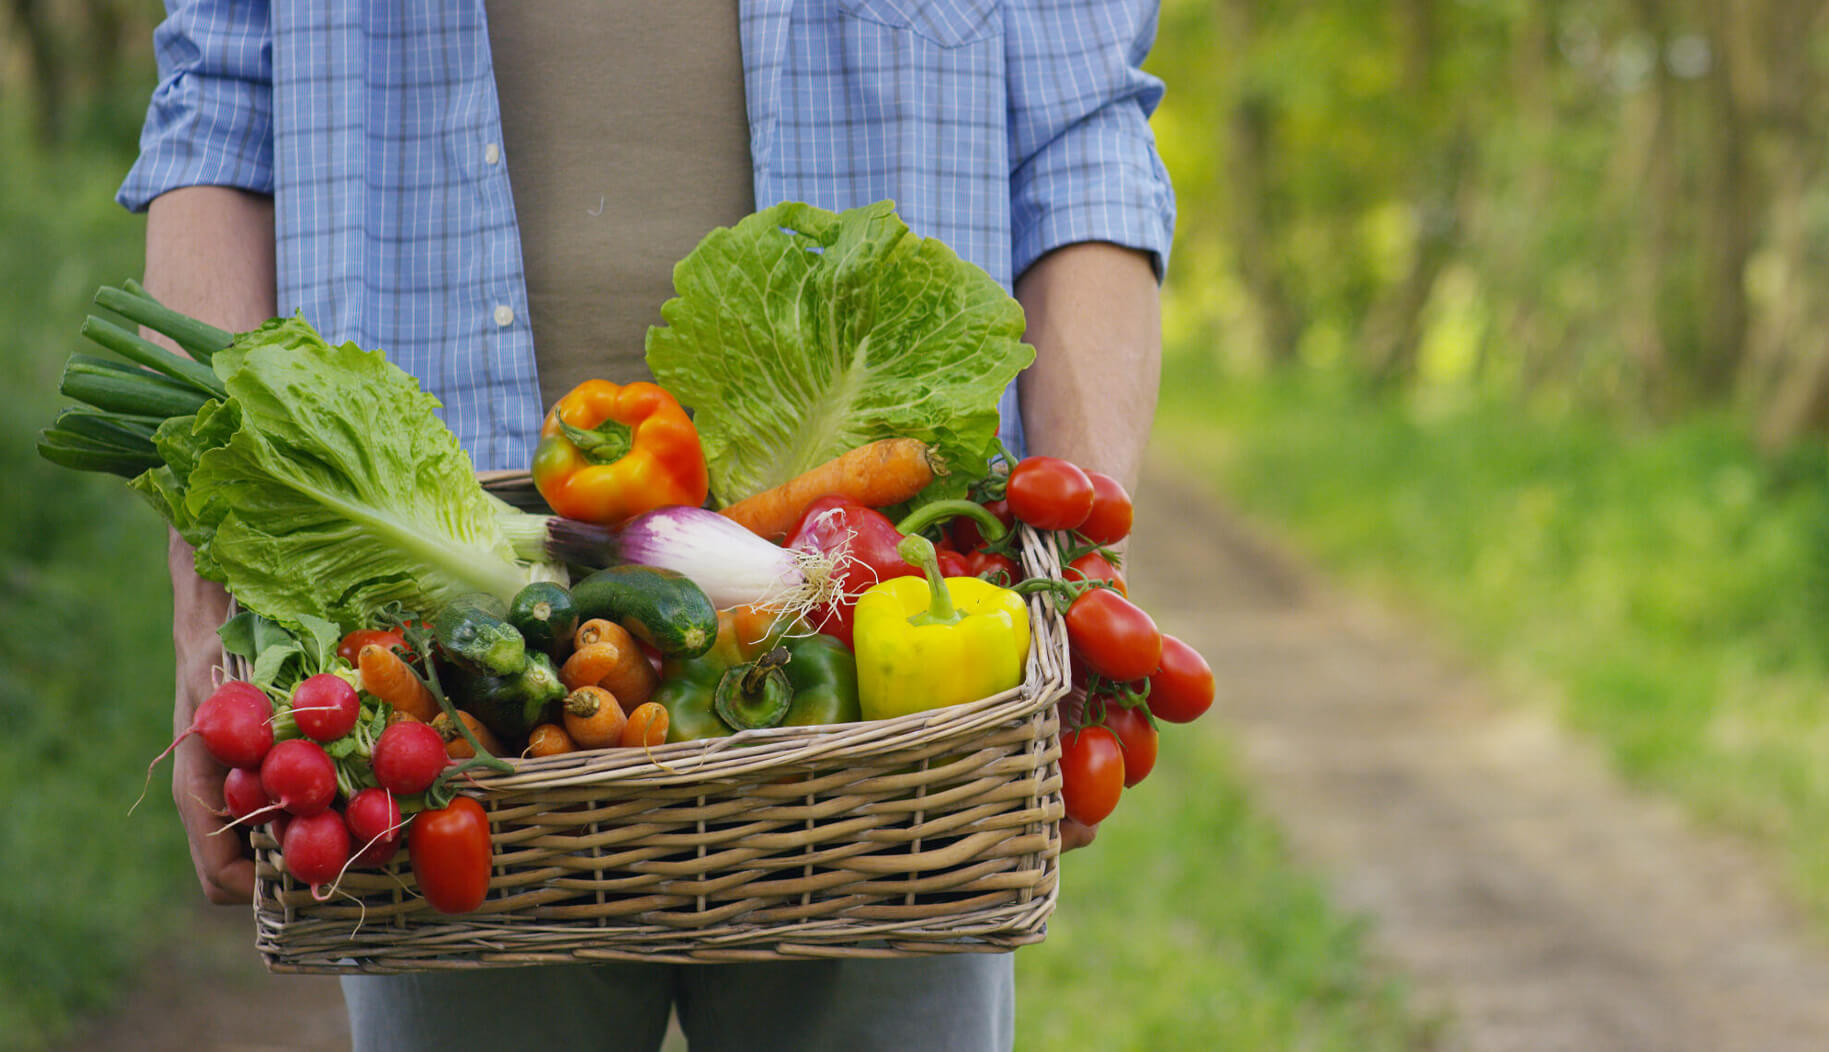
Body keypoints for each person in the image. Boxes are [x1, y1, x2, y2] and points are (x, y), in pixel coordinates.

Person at [125, 2, 1173, 1048]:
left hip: (887, 635)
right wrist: (209, 598)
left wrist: (1071, 561)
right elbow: (220, 117)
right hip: (444, 676)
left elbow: (1082, 141)